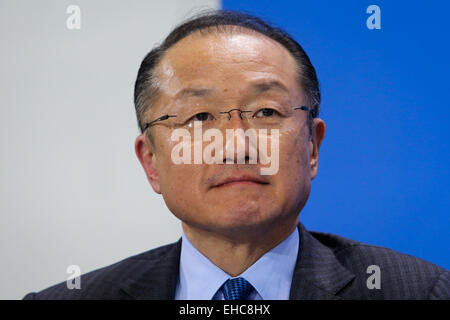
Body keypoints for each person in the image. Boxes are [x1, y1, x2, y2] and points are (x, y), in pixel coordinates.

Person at [23, 10, 449, 300]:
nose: (236, 144)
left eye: (266, 111)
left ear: (313, 146)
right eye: (200, 116)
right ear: (151, 162)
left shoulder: (422, 291)